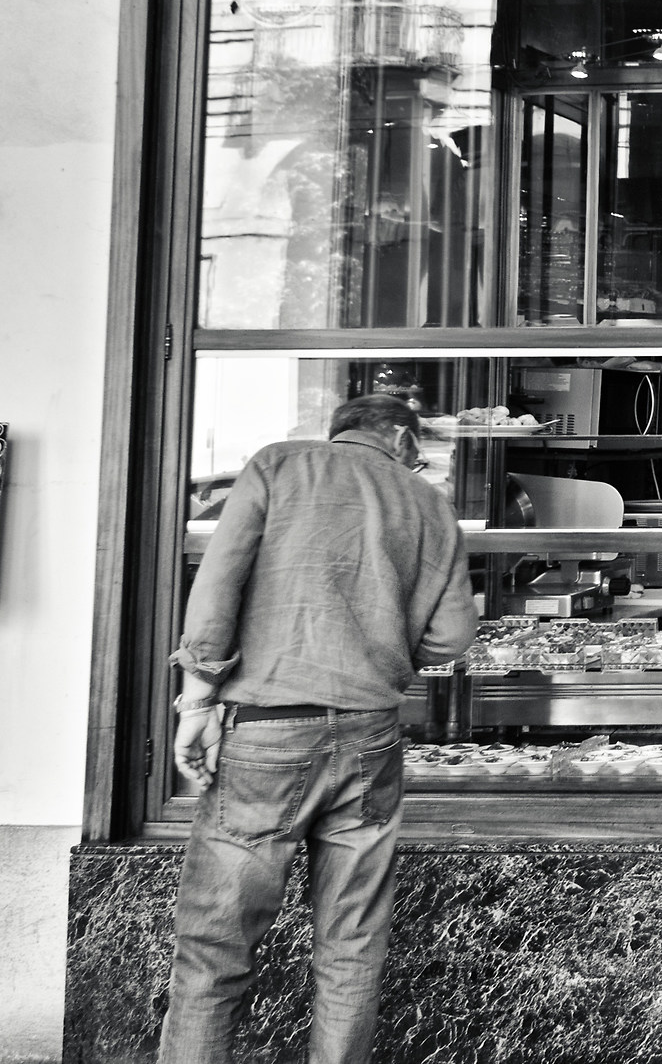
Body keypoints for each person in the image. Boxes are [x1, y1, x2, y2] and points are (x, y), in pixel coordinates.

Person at [159, 392, 477, 1064]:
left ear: (340, 432)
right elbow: (451, 638)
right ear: (401, 439)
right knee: (351, 947)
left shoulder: (276, 465)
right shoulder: (428, 503)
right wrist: (383, 647)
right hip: (370, 737)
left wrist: (198, 702)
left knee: (215, 952)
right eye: (417, 451)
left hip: (264, 729)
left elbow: (216, 588)